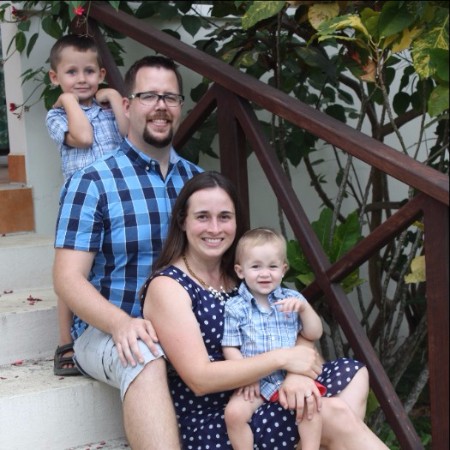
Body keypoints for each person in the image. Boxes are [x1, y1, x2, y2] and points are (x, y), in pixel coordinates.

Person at [141, 170, 390, 450]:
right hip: (220, 418)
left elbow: (297, 329)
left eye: (224, 217)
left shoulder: (245, 274)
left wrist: (296, 375)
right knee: (332, 413)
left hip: (269, 389)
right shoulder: (169, 286)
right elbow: (200, 379)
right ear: (182, 222)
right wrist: (283, 359)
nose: (214, 228)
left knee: (353, 373)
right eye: (202, 217)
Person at [53, 55, 202, 449]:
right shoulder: (92, 183)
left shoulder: (197, 182)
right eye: (148, 95)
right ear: (126, 105)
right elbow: (67, 278)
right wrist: (121, 323)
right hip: (107, 330)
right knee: (145, 355)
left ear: (180, 107)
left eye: (170, 97)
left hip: (182, 326)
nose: (160, 106)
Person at [46, 34, 128, 376]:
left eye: (90, 71)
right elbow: (83, 138)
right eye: (72, 73)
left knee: (107, 262)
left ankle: (109, 324)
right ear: (55, 78)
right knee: (72, 273)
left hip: (116, 196)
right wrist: (67, 102)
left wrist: (114, 98)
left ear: (101, 74)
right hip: (80, 201)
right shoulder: (57, 115)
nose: (82, 79)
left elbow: (128, 136)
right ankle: (66, 340)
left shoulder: (109, 109)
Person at [222, 227, 327, 450]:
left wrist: (304, 309)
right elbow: (230, 346)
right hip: (256, 381)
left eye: (272, 266)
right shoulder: (235, 307)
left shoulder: (293, 299)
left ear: (283, 269)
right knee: (233, 414)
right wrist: (245, 375)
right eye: (256, 266)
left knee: (311, 405)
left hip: (290, 376)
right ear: (240, 271)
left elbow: (314, 333)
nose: (265, 273)